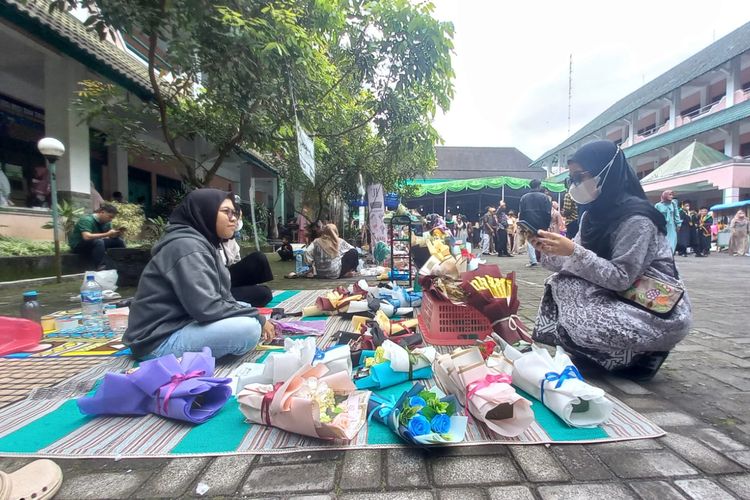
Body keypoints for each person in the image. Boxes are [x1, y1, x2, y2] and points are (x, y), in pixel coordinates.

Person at [530, 140, 691, 380]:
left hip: (654, 308)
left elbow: (620, 277)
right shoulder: (592, 217)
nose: (575, 184)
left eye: (579, 176)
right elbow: (573, 263)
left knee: (582, 317)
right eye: (571, 179)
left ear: (606, 171)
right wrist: (546, 248)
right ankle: (601, 356)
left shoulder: (637, 219)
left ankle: (643, 355)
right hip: (616, 297)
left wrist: (574, 251)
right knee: (562, 283)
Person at [124, 189, 273, 360]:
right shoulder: (187, 246)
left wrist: (254, 314)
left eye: (234, 212)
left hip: (182, 322)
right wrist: (258, 320)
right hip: (157, 341)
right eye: (226, 212)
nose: (234, 218)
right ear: (205, 211)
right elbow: (207, 307)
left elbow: (222, 298)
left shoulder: (203, 242)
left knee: (246, 309)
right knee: (248, 329)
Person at [68, 203, 126, 270]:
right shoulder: (87, 220)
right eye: (110, 217)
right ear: (102, 212)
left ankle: (123, 261)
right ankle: (100, 266)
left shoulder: (107, 223)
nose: (111, 219)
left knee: (118, 241)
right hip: (79, 245)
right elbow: (86, 237)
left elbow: (107, 237)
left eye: (112, 218)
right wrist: (107, 234)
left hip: (96, 243)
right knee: (98, 242)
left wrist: (115, 235)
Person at [519, 179, 551, 267]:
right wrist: (547, 224)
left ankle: (533, 260)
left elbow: (521, 212)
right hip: (542, 222)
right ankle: (545, 260)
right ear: (539, 186)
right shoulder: (544, 197)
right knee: (543, 240)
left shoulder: (524, 197)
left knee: (530, 240)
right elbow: (548, 212)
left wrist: (522, 225)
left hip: (528, 222)